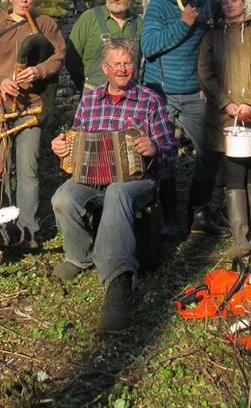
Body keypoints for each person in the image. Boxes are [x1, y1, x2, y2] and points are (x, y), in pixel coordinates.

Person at [50, 38, 177, 332]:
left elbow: (171, 150)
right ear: (105, 68)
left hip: (137, 181)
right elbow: (74, 139)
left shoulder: (149, 100)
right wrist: (61, 146)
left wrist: (155, 147)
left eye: (128, 63)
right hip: (92, 179)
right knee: (63, 197)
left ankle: (118, 279)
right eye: (117, 64)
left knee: (118, 192)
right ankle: (80, 256)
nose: (123, 69)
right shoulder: (91, 101)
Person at [141, 0, 251, 238]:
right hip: (161, 93)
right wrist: (183, 23)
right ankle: (169, 219)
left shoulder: (208, 3)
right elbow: (149, 46)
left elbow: (237, 16)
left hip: (195, 93)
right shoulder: (160, 5)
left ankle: (198, 214)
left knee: (209, 153)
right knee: (162, 154)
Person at [0, 0, 65, 250]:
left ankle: (30, 230)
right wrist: (0, 81)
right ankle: (2, 228)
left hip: (32, 104)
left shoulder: (46, 24)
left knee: (29, 168)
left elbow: (59, 56)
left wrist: (38, 71)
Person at [197, 0, 251, 253]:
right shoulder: (212, 37)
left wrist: (249, 102)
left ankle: (249, 224)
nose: (230, 5)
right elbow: (205, 73)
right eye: (225, 2)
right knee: (234, 172)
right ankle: (239, 237)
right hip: (226, 116)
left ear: (244, 3)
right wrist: (226, 103)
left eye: (235, 0)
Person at [66, 0, 142, 92]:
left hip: (129, 98)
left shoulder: (138, 23)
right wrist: (84, 86)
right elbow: (71, 59)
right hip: (94, 96)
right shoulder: (89, 18)